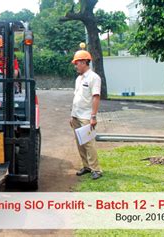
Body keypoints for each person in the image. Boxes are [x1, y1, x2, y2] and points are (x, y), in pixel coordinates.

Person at [69, 43, 103, 180]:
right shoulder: (79, 79)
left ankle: (96, 169)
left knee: (89, 143)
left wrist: (93, 116)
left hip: (86, 116)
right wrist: (72, 115)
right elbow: (76, 97)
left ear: (84, 62)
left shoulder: (94, 78)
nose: (75, 66)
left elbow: (96, 97)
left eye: (77, 63)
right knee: (80, 143)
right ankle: (86, 166)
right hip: (76, 116)